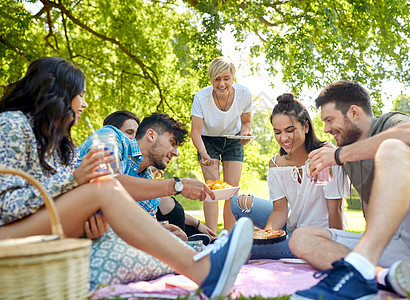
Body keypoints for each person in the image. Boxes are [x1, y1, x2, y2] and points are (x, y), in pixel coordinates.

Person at [0, 56, 253, 298]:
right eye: (81, 95)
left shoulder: (56, 140)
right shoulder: (12, 124)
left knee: (139, 254)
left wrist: (88, 215)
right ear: (58, 94)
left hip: (49, 231)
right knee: (104, 187)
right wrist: (76, 182)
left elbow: (63, 198)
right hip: (10, 236)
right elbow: (7, 206)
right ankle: (203, 270)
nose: (85, 104)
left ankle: (205, 256)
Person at [289, 80, 410, 300]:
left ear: (353, 112)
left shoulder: (389, 123)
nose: (326, 129)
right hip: (403, 249)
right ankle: (383, 276)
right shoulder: (349, 158)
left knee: (392, 148)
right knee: (300, 238)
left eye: (329, 120)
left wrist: (338, 155)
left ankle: (361, 266)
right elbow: (370, 214)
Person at [230, 93, 350, 259]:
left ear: (306, 127)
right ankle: (246, 245)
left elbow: (334, 209)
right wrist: (267, 235)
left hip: (317, 237)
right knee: (237, 203)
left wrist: (335, 248)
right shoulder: (276, 164)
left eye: (290, 130)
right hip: (293, 227)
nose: (284, 138)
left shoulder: (325, 155)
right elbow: (279, 210)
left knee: (242, 247)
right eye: (277, 132)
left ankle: (225, 249)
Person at [101, 110, 216, 243]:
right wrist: (178, 185)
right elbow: (108, 184)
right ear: (151, 135)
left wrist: (179, 238)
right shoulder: (110, 136)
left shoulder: (147, 177)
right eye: (172, 143)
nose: (176, 153)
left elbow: (147, 224)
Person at [191, 57, 253, 232]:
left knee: (231, 191)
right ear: (211, 79)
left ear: (233, 77)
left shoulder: (244, 94)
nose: (222, 83)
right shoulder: (201, 98)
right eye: (217, 79)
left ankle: (229, 236)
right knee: (212, 189)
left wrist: (245, 133)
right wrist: (204, 154)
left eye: (226, 78)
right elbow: (195, 132)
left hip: (232, 139)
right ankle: (211, 237)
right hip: (207, 140)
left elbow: (246, 122)